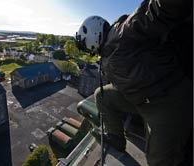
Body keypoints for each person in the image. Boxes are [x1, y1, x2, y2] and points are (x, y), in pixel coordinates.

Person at [75, 0, 192, 165]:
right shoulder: (107, 51)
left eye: (87, 48)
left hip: (166, 100)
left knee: (158, 161)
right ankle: (116, 137)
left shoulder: (121, 32)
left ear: (92, 37)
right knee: (102, 95)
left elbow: (153, 12)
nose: (90, 52)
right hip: (141, 98)